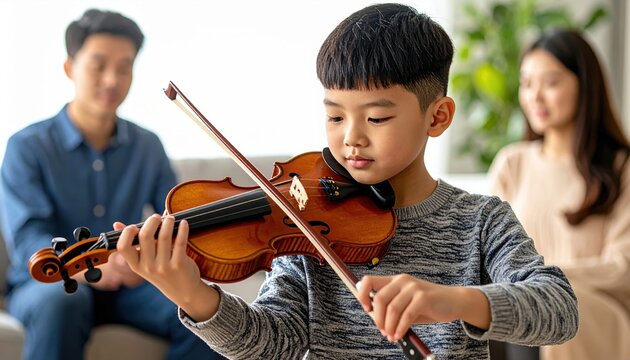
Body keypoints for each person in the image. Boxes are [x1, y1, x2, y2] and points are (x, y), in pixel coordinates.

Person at [114, 4, 579, 359]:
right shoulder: (305, 224)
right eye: (334, 115)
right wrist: (192, 295)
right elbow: (271, 345)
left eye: (376, 117)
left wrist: (455, 301)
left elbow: (559, 311)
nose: (350, 138)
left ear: (437, 117)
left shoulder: (479, 220)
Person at [0, 9, 224, 360]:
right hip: (53, 282)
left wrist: (145, 260)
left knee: (205, 311)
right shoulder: (26, 146)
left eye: (125, 67)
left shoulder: (147, 145)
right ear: (70, 68)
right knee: (60, 302)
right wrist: (94, 264)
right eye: (98, 65)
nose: (112, 80)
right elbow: (29, 237)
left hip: (129, 285)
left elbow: (178, 218)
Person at [488, 28, 630, 360]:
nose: (535, 96)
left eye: (550, 83)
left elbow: (623, 268)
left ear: (585, 86)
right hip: (520, 305)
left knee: (551, 303)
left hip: (596, 314)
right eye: (527, 83)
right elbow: (486, 254)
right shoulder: (513, 163)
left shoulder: (621, 168)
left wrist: (544, 277)